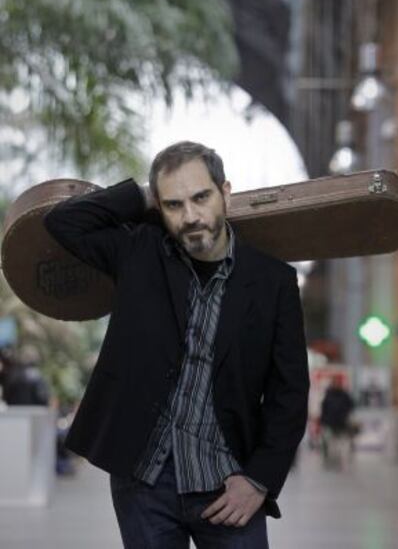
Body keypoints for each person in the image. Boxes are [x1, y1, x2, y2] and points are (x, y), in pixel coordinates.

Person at [43, 141, 309, 549]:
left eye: (201, 197)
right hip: (144, 483)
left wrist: (259, 481)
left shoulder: (274, 282)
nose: (190, 216)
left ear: (226, 192)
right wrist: (142, 194)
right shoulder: (139, 251)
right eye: (173, 205)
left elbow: (288, 394)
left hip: (227, 483)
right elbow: (64, 222)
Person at [319, 378, 356, 470]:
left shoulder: (345, 395)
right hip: (329, 423)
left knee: (342, 443)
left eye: (338, 383)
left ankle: (341, 461)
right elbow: (324, 409)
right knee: (328, 442)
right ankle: (328, 459)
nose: (336, 385)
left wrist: (345, 415)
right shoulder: (328, 395)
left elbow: (351, 406)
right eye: (334, 383)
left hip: (341, 423)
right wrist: (323, 421)